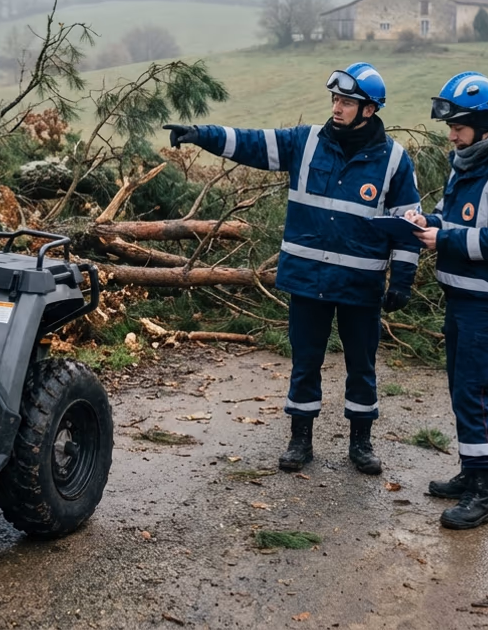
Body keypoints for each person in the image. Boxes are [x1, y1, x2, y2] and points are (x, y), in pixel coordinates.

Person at [163, 62, 421, 476]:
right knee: (305, 363)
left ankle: (362, 442)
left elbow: (409, 225)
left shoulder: (394, 161)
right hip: (308, 281)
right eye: (335, 100)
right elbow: (249, 142)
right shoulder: (305, 143)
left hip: (361, 285)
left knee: (362, 365)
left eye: (347, 102)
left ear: (369, 110)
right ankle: (300, 439)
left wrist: (403, 280)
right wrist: (201, 135)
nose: (337, 108)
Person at [406, 71, 488, 530]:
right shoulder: (466, 162)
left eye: (459, 126)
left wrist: (444, 238)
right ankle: (471, 472)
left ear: (484, 124)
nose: (452, 134)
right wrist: (420, 221)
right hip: (461, 296)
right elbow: (450, 218)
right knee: (461, 388)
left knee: (474, 391)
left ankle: (485, 494)